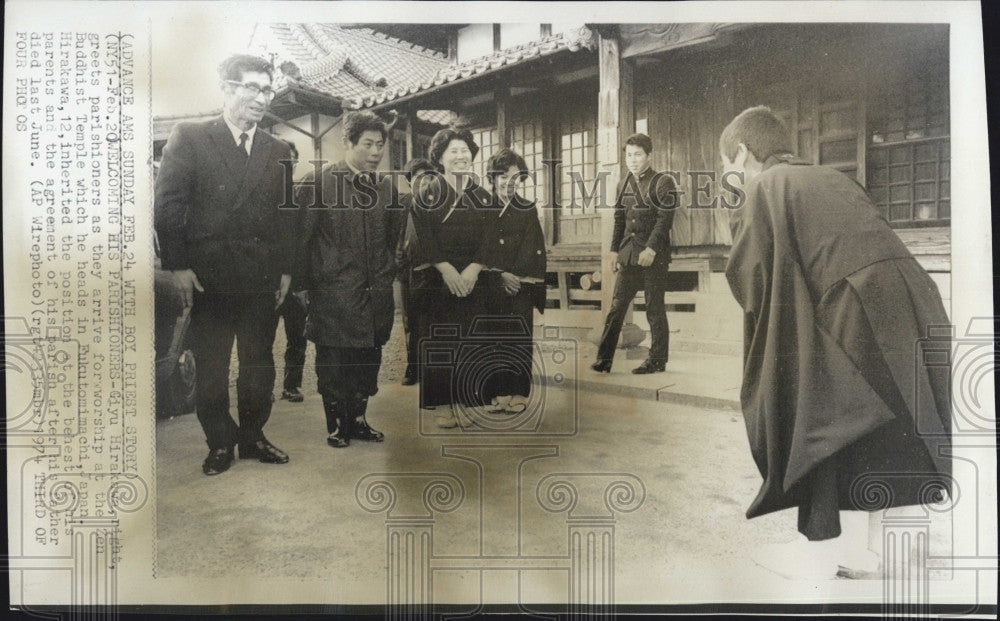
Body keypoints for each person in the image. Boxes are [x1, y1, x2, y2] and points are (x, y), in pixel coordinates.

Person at [720, 106, 952, 579]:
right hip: (915, 295)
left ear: (743, 152)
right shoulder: (836, 177)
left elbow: (755, 275)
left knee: (825, 412)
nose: (732, 174)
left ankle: (821, 557)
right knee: (895, 417)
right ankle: (893, 550)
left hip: (853, 299)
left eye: (730, 165)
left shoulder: (765, 186)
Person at [154, 54, 293, 475]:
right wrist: (178, 266)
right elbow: (167, 207)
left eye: (267, 90)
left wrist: (286, 268)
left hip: (259, 277)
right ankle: (219, 442)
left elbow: (288, 215)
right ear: (228, 88)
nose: (261, 97)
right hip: (206, 279)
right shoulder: (191, 137)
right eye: (252, 87)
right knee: (211, 369)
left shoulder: (278, 149)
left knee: (259, 366)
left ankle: (252, 436)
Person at [293, 111, 404, 448]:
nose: (375, 151)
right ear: (349, 143)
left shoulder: (386, 187)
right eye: (368, 144)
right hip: (334, 293)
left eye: (380, 145)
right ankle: (337, 425)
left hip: (375, 292)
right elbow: (302, 239)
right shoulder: (319, 182)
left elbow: (393, 239)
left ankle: (358, 420)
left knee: (368, 360)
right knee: (334, 363)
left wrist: (387, 271)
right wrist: (302, 286)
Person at [409, 128, 494, 428]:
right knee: (440, 340)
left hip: (472, 276)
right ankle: (443, 405)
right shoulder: (428, 192)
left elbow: (489, 237)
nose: (460, 156)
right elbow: (423, 236)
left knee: (470, 337)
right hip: (438, 276)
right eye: (453, 151)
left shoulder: (483, 196)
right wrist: (446, 270)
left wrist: (474, 269)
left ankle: (466, 401)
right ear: (440, 157)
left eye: (465, 150)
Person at [592, 133, 677, 375]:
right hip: (628, 255)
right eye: (629, 155)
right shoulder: (623, 184)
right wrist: (613, 253)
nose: (633, 160)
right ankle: (604, 359)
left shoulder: (663, 182)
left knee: (654, 308)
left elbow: (664, 219)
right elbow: (619, 220)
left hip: (653, 256)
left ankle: (657, 360)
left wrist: (651, 248)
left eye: (638, 155)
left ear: (649, 155)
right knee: (617, 306)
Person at [480, 148, 546, 413]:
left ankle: (518, 391)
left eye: (515, 178)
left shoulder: (527, 209)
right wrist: (499, 275)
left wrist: (515, 277)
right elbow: (479, 247)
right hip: (491, 281)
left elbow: (532, 247)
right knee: (492, 337)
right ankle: (495, 393)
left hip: (520, 284)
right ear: (493, 178)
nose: (509, 183)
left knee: (518, 337)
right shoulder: (482, 208)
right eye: (503, 176)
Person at [396, 158, 437, 386]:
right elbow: (396, 237)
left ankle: (431, 368)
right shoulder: (402, 203)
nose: (423, 183)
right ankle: (413, 368)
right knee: (410, 320)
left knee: (431, 319)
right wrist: (400, 264)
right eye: (418, 178)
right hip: (408, 271)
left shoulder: (437, 203)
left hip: (433, 271)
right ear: (410, 181)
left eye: (427, 178)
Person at [276, 139, 308, 403]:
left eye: (293, 160)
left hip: (296, 280)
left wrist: (302, 283)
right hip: (270, 280)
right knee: (260, 339)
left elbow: (306, 243)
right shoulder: (265, 194)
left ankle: (291, 386)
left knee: (297, 337)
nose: (290, 165)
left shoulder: (301, 195)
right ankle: (261, 388)